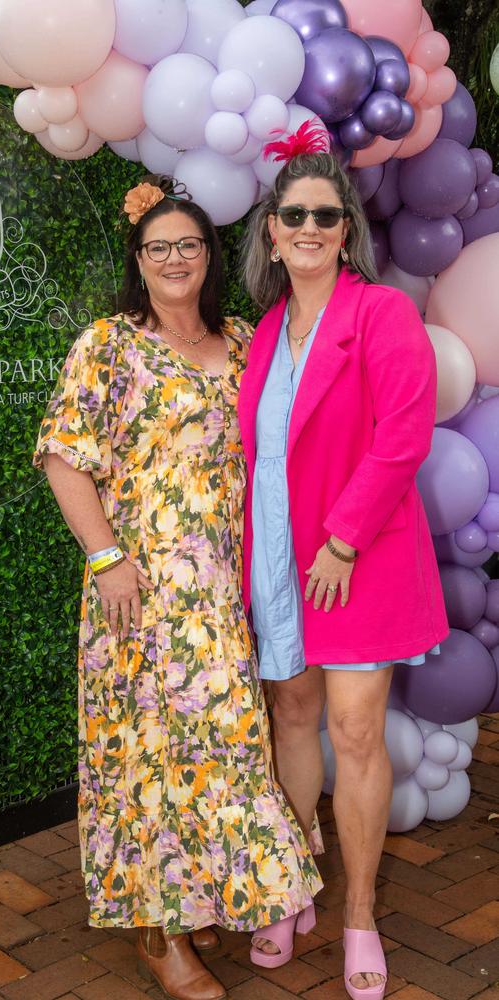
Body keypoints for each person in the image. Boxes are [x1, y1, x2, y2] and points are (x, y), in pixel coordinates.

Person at [33, 177, 322, 1000]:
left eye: (188, 244)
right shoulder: (108, 344)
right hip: (138, 594)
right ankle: (157, 935)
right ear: (138, 258)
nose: (173, 258)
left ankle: (192, 894)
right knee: (144, 759)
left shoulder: (242, 340)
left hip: (222, 596)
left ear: (210, 256)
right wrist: (104, 558)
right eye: (158, 246)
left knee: (223, 749)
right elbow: (63, 455)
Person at [238, 136, 448, 1000]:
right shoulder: (260, 335)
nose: (312, 226)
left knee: (356, 733)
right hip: (277, 563)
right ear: (273, 235)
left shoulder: (381, 315)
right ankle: (295, 890)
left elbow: (403, 434)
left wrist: (344, 538)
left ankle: (359, 912)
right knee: (291, 717)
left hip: (351, 558)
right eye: (297, 215)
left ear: (345, 230)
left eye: (328, 213)